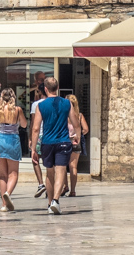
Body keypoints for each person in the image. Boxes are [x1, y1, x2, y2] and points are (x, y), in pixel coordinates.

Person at [30, 77, 79, 215]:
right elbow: (76, 123)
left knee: (49, 172)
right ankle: (55, 201)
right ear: (57, 88)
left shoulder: (41, 105)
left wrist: (33, 149)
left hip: (47, 142)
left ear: (45, 89)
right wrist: (78, 137)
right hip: (63, 141)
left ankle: (50, 202)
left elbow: (35, 128)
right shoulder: (66, 103)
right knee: (61, 170)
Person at [0, 88, 27, 212]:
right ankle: (8, 193)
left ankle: (4, 204)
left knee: (2, 175)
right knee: (13, 173)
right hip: (13, 141)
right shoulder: (17, 110)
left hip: (0, 141)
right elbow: (24, 125)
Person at [65, 94, 89, 197]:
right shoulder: (79, 116)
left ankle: (65, 186)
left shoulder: (64, 115)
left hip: (65, 141)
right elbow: (86, 129)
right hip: (76, 142)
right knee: (73, 166)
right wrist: (77, 136)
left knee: (62, 166)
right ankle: (73, 190)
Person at [31, 83, 47, 198]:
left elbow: (33, 124)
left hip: (39, 135)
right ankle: (51, 184)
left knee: (35, 160)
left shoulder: (36, 104)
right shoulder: (55, 103)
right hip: (50, 136)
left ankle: (41, 183)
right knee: (50, 163)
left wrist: (31, 139)